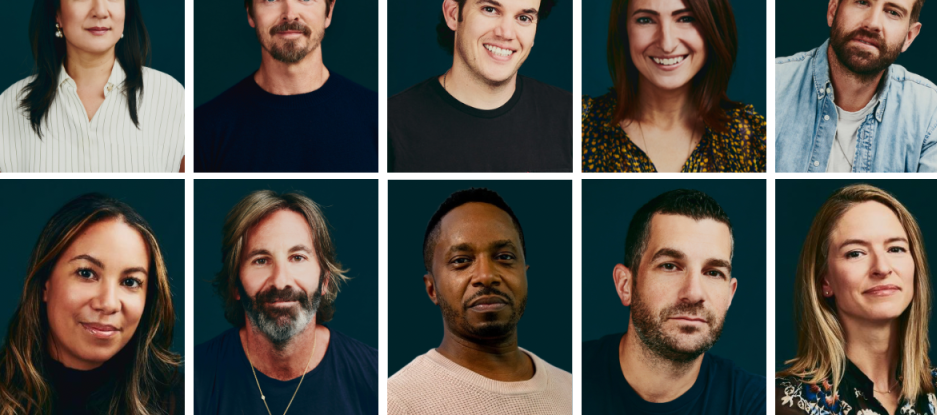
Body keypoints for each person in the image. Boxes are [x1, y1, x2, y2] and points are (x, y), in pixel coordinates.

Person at [194, 0, 377, 172]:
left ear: (329, 11)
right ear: (250, 11)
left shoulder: (379, 118)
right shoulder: (205, 128)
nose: (290, 14)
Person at [388, 0, 571, 172]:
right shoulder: (391, 124)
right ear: (453, 14)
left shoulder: (572, 118)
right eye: (490, 9)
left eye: (524, 18)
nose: (506, 33)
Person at [0, 0, 185, 173]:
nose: (100, 10)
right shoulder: (10, 105)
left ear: (126, 11)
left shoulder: (170, 96)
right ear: (57, 12)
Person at [776, 0, 937, 172]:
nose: (872, 23)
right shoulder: (773, 85)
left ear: (909, 37)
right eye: (862, 1)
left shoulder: (934, 118)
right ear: (833, 9)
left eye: (893, 12)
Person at [388, 188, 572, 414]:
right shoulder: (396, 402)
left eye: (504, 257)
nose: (486, 276)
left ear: (525, 274)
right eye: (461, 260)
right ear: (432, 288)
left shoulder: (572, 390)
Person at [777, 184, 937, 415]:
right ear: (825, 282)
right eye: (856, 253)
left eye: (895, 249)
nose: (882, 268)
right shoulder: (786, 403)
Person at [583, 0, 765, 173]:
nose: (667, 44)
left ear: (713, 27)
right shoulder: (578, 125)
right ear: (623, 30)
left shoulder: (753, 139)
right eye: (646, 20)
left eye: (686, 18)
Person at [195, 190, 377, 415]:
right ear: (235, 284)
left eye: (298, 258)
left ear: (325, 281)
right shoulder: (194, 379)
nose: (280, 282)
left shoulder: (376, 378)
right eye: (261, 260)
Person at [583, 189, 764, 414]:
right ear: (625, 285)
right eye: (670, 266)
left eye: (713, 272)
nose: (694, 293)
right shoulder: (570, 380)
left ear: (730, 294)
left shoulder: (757, 404)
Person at [0, 193, 182, 414]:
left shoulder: (182, 400)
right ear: (44, 284)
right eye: (86, 273)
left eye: (130, 281)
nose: (108, 303)